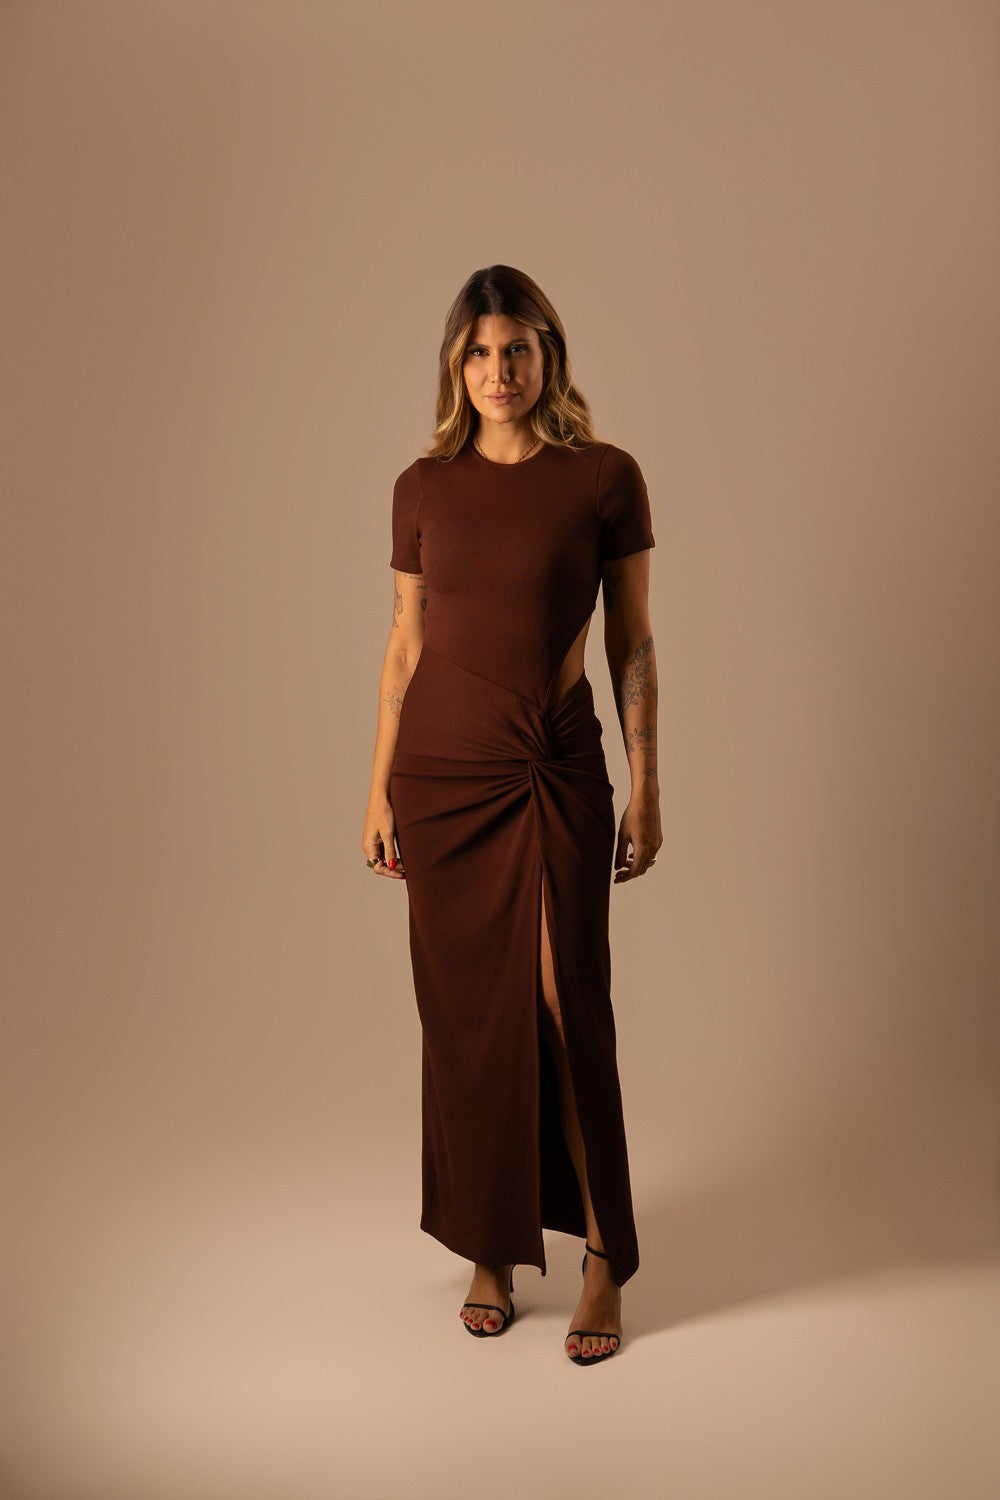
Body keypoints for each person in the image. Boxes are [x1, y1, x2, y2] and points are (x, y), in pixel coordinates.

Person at [362, 264, 661, 1365]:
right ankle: (486, 1243)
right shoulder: (421, 487)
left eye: (518, 349)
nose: (500, 371)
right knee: (467, 1018)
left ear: (549, 354)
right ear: (457, 365)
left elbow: (631, 638)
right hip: (441, 776)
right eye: (480, 352)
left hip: (551, 764)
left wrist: (648, 780)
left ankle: (603, 1253)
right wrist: (377, 788)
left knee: (562, 997)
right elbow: (406, 644)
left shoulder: (604, 478)